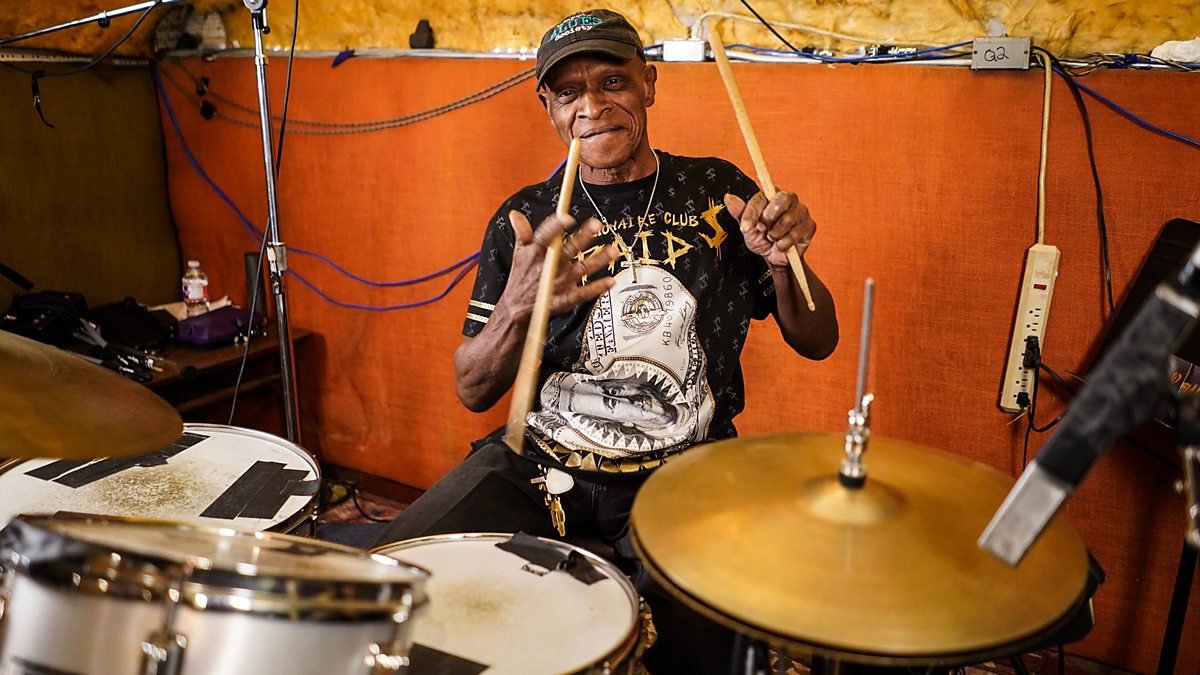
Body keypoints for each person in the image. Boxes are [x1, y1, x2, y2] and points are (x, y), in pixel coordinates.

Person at [373, 8, 839, 672]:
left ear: (649, 83)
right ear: (549, 106)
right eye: (569, 92)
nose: (592, 107)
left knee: (709, 650)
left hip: (683, 471)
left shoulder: (719, 192)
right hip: (538, 460)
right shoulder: (528, 219)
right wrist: (517, 308)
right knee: (387, 583)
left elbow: (819, 339)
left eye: (612, 82)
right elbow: (472, 390)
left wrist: (782, 261)